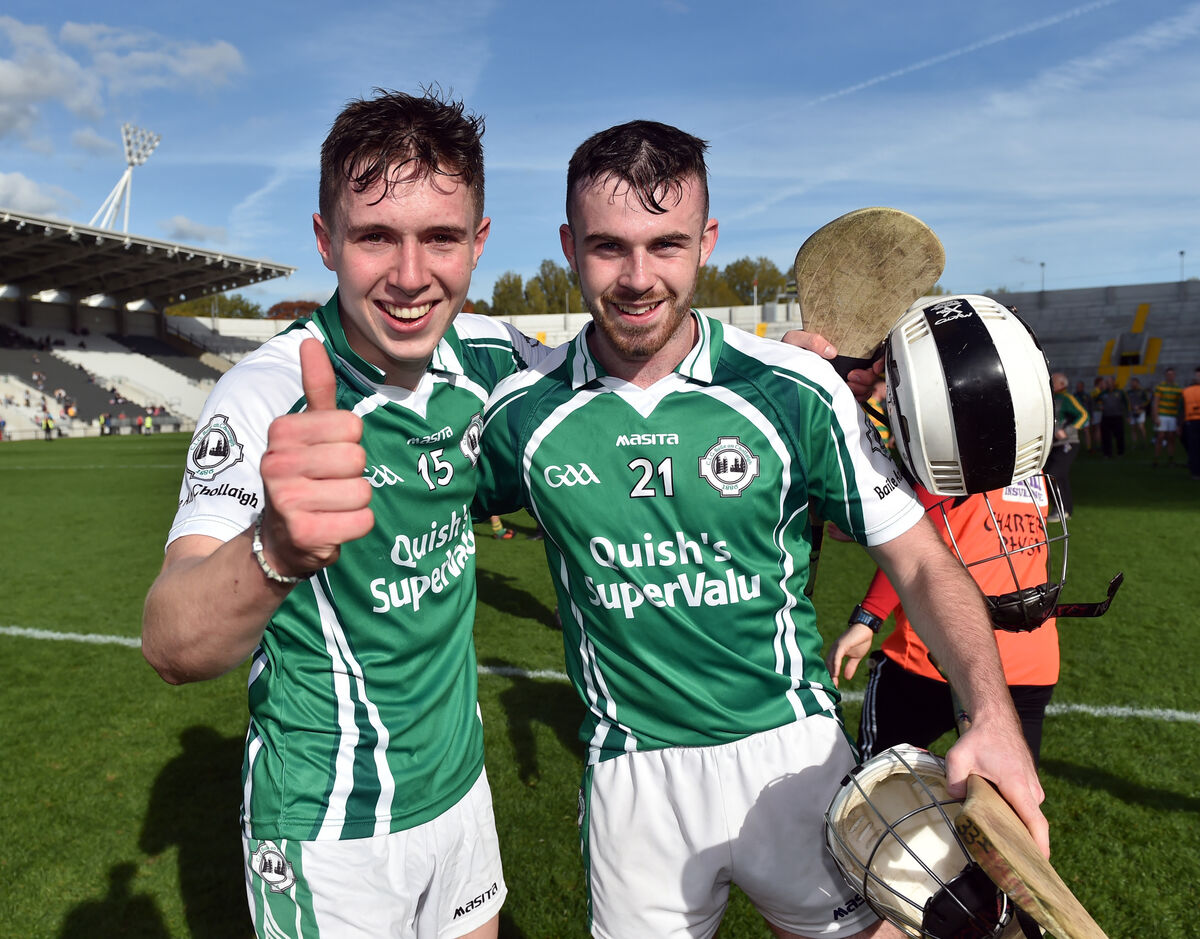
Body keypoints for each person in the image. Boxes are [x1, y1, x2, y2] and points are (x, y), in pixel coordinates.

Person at [476, 120, 1046, 939]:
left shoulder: (793, 389)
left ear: (707, 240)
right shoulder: (524, 410)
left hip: (792, 756)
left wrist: (990, 713)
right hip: (633, 784)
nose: (639, 277)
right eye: (609, 247)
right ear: (568, 244)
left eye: (667, 244)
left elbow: (921, 561)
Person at [142, 89, 549, 939]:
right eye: (375, 236)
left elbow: (629, 360)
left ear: (477, 243)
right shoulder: (263, 395)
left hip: (460, 792)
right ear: (327, 240)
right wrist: (275, 547)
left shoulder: (485, 356)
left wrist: (777, 355)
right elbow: (172, 641)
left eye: (440, 236)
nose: (409, 275)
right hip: (329, 827)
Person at [826, 479, 1059, 766]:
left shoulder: (958, 453)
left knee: (876, 790)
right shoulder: (1033, 467)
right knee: (1009, 802)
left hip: (941, 654)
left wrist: (868, 618)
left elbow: (912, 545)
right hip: (1031, 660)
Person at [1045, 372, 1088, 521]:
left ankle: (1060, 509)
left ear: (1062, 384)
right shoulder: (1051, 398)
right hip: (1056, 445)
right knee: (1060, 476)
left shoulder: (1067, 398)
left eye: (1053, 380)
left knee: (1053, 474)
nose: (1050, 381)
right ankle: (1066, 510)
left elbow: (1083, 415)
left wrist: (1067, 431)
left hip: (1068, 443)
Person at [1152, 367, 1183, 465]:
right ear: (1165, 376)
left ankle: (1171, 459)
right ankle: (1156, 459)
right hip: (1162, 415)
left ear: (1174, 376)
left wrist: (1179, 419)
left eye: (1172, 374)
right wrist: (1155, 416)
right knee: (1160, 437)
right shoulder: (1160, 387)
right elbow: (1156, 402)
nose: (1170, 376)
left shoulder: (1178, 389)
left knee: (1171, 438)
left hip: (1173, 416)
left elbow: (1180, 404)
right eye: (1168, 374)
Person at [1097, 376, 1129, 457]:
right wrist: (1099, 405)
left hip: (1117, 416)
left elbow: (1126, 403)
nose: (1108, 384)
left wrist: (1128, 415)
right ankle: (1107, 453)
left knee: (1119, 435)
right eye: (1107, 382)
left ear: (1114, 383)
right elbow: (1096, 401)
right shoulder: (1103, 393)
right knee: (1106, 436)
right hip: (1106, 417)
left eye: (1110, 382)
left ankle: (1120, 452)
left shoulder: (1120, 392)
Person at [1182, 367, 1200, 480]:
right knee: (1194, 448)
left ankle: (1195, 472)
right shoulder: (1186, 391)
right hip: (1192, 422)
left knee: (1194, 448)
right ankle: (1195, 471)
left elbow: (1181, 409)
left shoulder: (1186, 391)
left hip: (1191, 422)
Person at [1126, 376, 1150, 447]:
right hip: (1131, 412)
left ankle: (1144, 441)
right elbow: (1126, 403)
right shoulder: (1128, 392)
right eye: (1131, 383)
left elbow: (1147, 401)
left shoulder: (1142, 391)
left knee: (1140, 426)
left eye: (1134, 383)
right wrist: (1128, 413)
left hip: (1140, 411)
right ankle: (1134, 444)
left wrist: (1140, 406)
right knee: (1133, 428)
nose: (1132, 384)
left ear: (1138, 383)